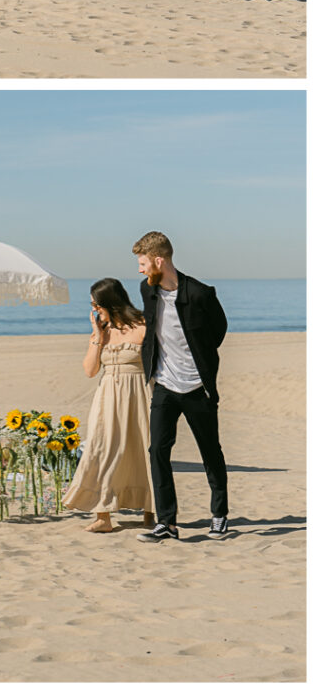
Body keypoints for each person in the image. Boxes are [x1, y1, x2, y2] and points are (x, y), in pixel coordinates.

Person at [131, 231, 229, 543]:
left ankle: (219, 514)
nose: (140, 269)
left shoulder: (200, 293)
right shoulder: (148, 292)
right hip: (164, 385)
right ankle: (167, 523)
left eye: (143, 262)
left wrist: (199, 363)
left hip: (197, 387)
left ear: (159, 261)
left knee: (209, 451)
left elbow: (218, 331)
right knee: (157, 450)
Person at [62, 278, 155, 532]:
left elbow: (158, 363)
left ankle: (151, 511)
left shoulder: (144, 325)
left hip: (139, 393)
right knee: (100, 449)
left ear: (110, 302)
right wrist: (97, 335)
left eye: (96, 304)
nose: (94, 309)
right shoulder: (102, 331)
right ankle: (103, 516)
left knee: (143, 451)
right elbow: (90, 370)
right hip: (108, 396)